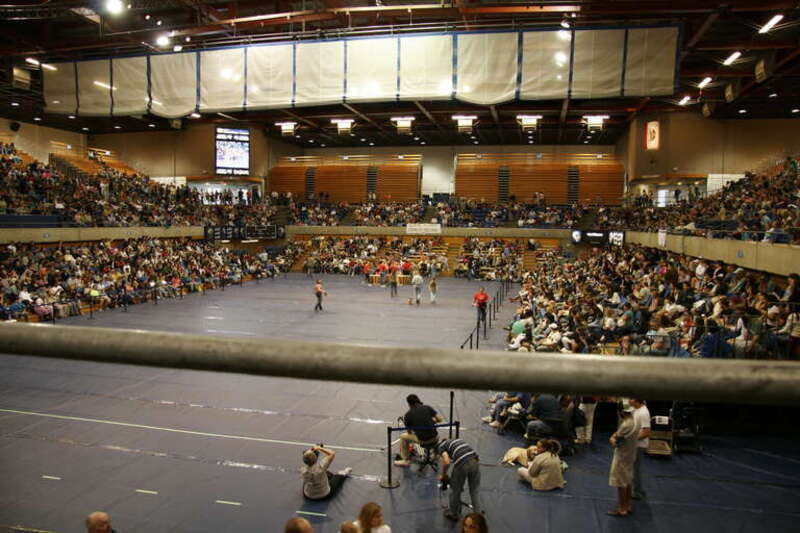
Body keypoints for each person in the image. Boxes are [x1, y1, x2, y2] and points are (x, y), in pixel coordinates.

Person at [438, 437, 481, 521]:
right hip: (475, 460)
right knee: (474, 491)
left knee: (455, 490)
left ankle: (453, 513)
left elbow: (446, 462)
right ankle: (478, 516)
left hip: (462, 463)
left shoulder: (441, 446)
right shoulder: (457, 441)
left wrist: (443, 475)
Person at [395, 394, 443, 467]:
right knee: (432, 433)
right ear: (418, 400)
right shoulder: (427, 407)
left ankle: (406, 460)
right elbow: (440, 419)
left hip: (423, 441)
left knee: (403, 437)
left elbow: (409, 432)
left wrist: (415, 427)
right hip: (435, 438)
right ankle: (436, 455)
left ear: (409, 404)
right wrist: (431, 420)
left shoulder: (408, 415)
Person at [608, 405, 638, 517]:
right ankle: (627, 505)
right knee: (628, 480)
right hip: (631, 454)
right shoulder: (634, 421)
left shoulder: (626, 424)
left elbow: (616, 440)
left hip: (622, 456)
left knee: (621, 483)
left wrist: (611, 439)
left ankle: (622, 508)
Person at [629, 398, 651, 500]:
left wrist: (631, 439)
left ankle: (637, 492)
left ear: (636, 400)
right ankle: (634, 489)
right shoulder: (636, 409)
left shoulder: (644, 413)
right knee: (632, 468)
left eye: (631, 399)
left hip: (639, 445)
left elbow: (646, 432)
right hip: (635, 444)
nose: (629, 401)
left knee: (635, 469)